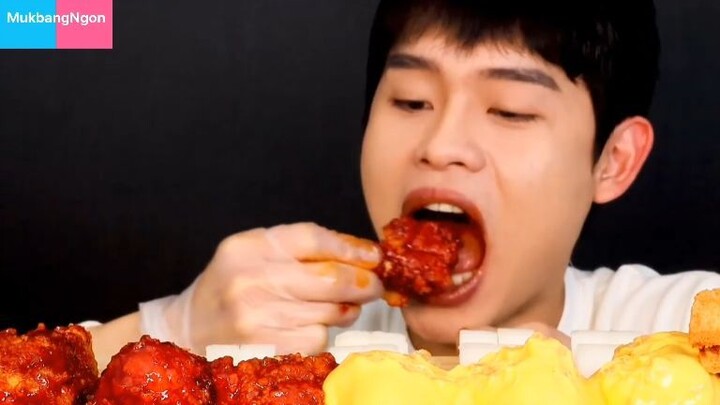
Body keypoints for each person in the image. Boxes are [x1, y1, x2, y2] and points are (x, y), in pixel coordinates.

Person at [86, 0, 720, 368]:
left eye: (510, 111)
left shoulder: (682, 328)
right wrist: (173, 333)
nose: (441, 145)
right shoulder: (268, 337)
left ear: (613, 160)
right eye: (412, 101)